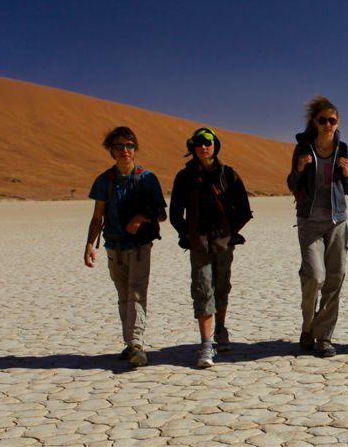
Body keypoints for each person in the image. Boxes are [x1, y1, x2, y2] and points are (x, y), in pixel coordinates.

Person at [83, 126, 167, 368]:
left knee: (137, 293)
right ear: (111, 150)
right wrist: (90, 244)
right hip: (113, 246)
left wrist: (139, 218)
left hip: (139, 246)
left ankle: (137, 343)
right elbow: (97, 216)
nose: (125, 150)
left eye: (129, 145)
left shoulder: (147, 178)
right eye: (119, 146)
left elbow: (161, 215)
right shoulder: (104, 181)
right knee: (123, 297)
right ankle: (130, 343)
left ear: (135, 149)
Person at [170, 127, 252, 368]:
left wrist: (230, 232)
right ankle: (206, 344)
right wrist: (187, 233)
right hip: (199, 244)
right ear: (193, 148)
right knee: (203, 288)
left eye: (208, 142)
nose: (204, 147)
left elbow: (244, 210)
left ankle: (220, 328)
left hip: (223, 243)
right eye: (198, 143)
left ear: (215, 145)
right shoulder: (185, 177)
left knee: (222, 287)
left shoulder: (228, 174)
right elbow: (175, 212)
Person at [286, 96, 348, 358]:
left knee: (335, 277)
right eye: (323, 120)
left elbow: (346, 188)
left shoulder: (344, 150)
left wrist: (347, 175)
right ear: (315, 123)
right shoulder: (303, 149)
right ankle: (307, 326)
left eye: (332, 121)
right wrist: (301, 168)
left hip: (337, 221)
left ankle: (324, 337)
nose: (328, 125)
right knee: (315, 276)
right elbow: (292, 184)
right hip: (309, 221)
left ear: (338, 123)